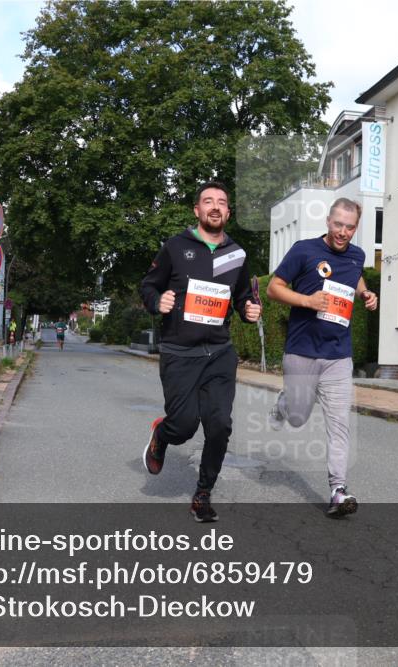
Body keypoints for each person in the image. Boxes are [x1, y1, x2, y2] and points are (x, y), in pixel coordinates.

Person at [139, 180, 262, 522]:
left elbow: (242, 297)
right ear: (197, 210)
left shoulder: (237, 253)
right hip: (180, 351)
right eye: (207, 201)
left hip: (220, 353)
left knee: (220, 425)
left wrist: (249, 309)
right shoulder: (176, 247)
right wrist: (157, 300)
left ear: (228, 212)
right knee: (184, 426)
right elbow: (148, 284)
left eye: (221, 202)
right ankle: (162, 435)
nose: (214, 206)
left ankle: (203, 493)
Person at [265, 198, 377, 517]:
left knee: (340, 424)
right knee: (298, 417)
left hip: (338, 355)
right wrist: (306, 300)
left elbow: (353, 275)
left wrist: (364, 293)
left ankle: (338, 490)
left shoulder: (357, 255)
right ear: (328, 221)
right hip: (301, 350)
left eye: (350, 226)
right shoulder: (303, 250)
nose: (343, 232)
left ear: (356, 228)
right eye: (338, 224)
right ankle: (285, 402)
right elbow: (274, 288)